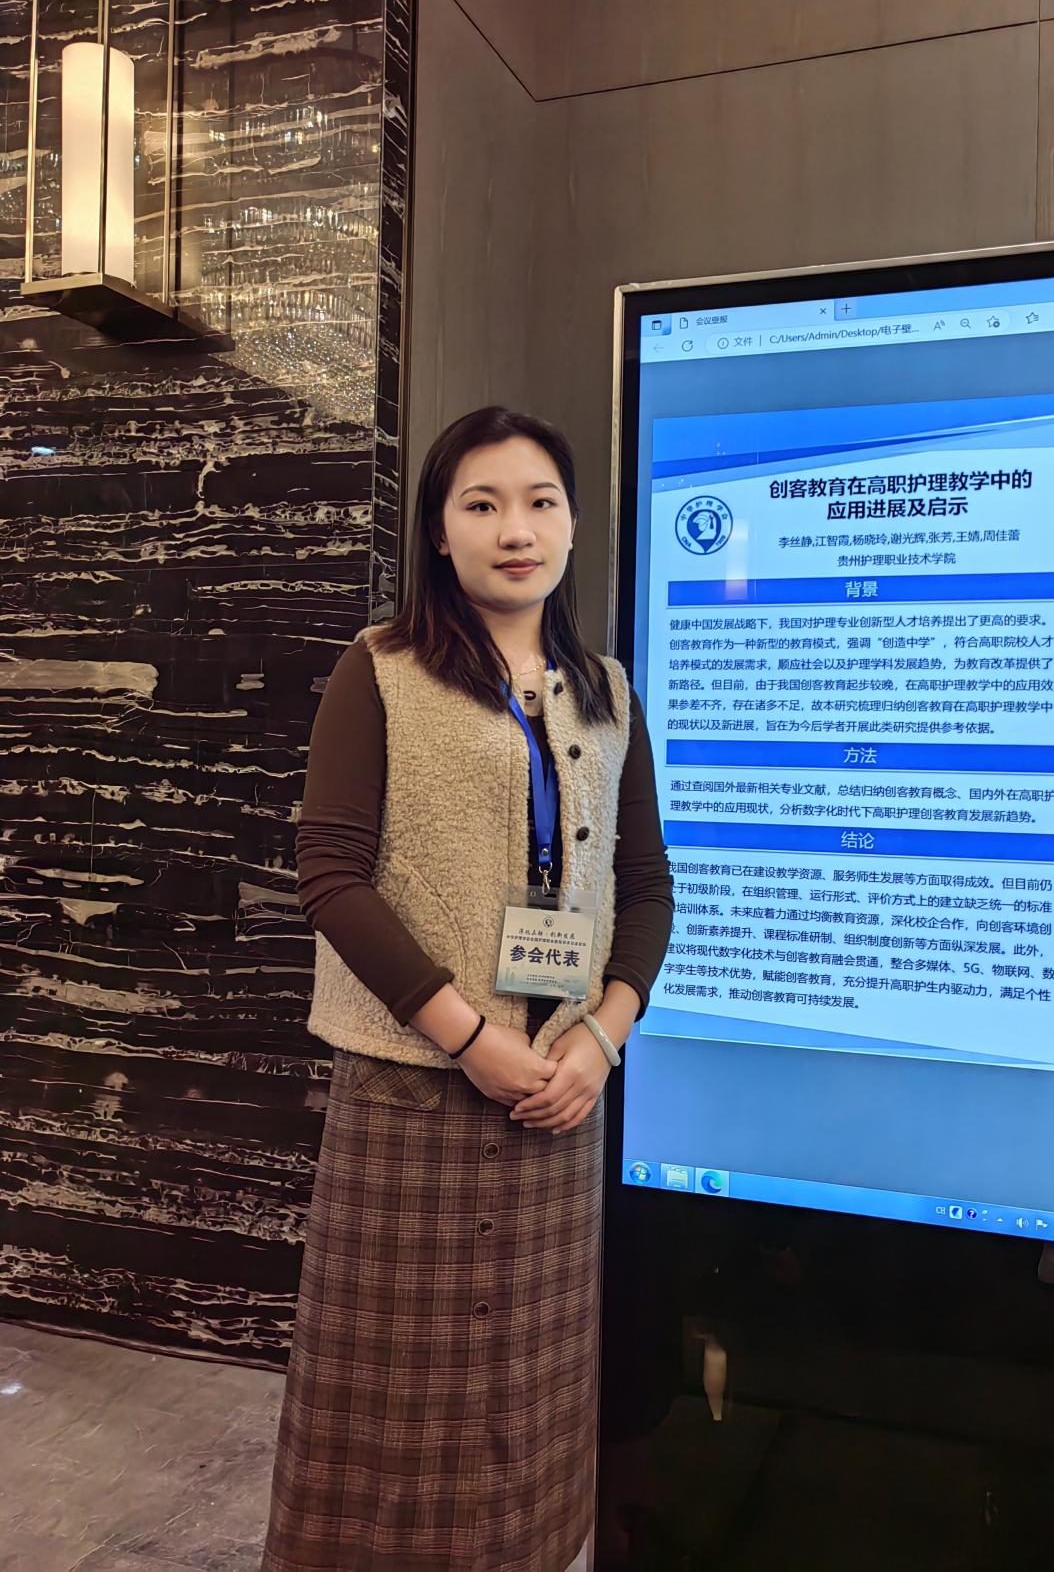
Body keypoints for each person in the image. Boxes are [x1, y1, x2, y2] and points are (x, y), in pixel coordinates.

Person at [262, 407, 675, 1572]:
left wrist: (602, 1036)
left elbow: (645, 886)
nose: (515, 529)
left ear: (574, 523)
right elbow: (329, 874)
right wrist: (467, 1036)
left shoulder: (606, 691)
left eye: (540, 501)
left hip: (557, 1100)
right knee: (386, 1406)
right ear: (439, 533)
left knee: (526, 1403)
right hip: (413, 1097)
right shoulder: (382, 668)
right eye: (481, 504)